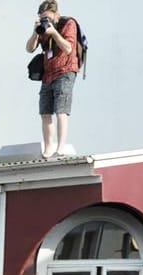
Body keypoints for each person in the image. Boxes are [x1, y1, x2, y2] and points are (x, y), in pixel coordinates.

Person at [27, 1, 82, 158]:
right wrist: (36, 32)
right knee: (45, 111)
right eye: (42, 18)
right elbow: (29, 48)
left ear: (55, 14)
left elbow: (68, 48)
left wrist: (54, 33)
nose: (46, 21)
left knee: (61, 110)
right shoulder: (42, 29)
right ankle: (49, 147)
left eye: (47, 18)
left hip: (65, 71)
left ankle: (61, 147)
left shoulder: (68, 23)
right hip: (48, 74)